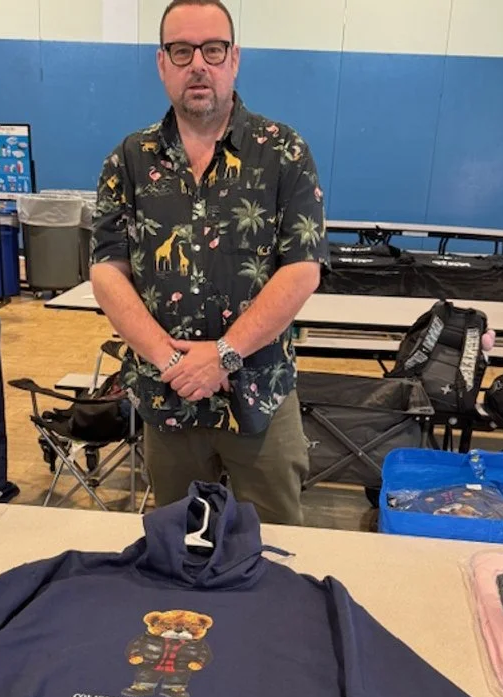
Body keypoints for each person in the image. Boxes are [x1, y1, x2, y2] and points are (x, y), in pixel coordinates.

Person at [91, 0, 328, 525]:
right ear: (162, 63)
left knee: (275, 553)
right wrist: (173, 362)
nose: (198, 63)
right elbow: (107, 271)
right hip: (167, 400)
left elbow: (302, 268)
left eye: (212, 49)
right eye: (181, 50)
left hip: (260, 397)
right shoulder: (127, 161)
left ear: (234, 58)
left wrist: (222, 355)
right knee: (178, 552)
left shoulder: (283, 152)